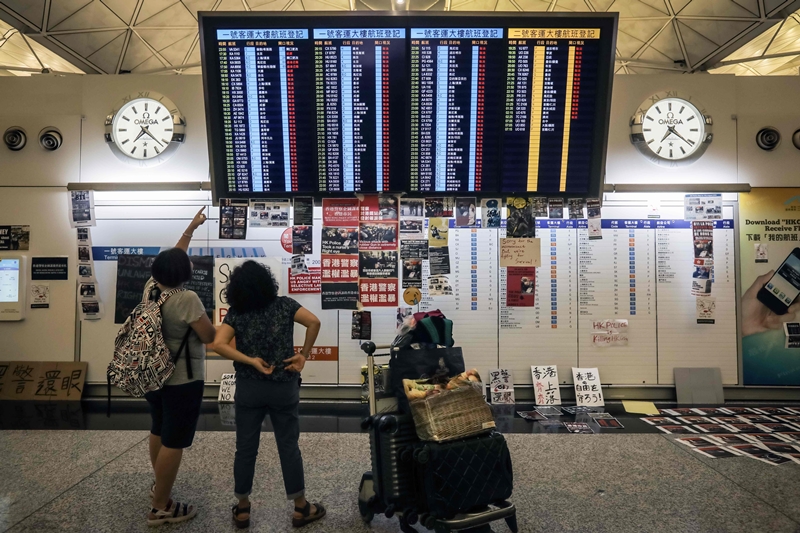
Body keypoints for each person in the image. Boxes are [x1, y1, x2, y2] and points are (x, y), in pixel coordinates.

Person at [211, 261, 325, 529]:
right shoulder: (285, 306)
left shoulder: (237, 313)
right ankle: (300, 508)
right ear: (267, 281)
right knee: (289, 446)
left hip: (249, 388)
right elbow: (314, 322)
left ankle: (242, 508)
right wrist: (303, 355)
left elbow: (218, 344)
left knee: (245, 448)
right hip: (283, 386)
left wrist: (250, 361)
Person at [144, 207, 216, 526]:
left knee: (159, 427)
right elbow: (209, 337)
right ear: (183, 273)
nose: (188, 261)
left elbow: (173, 257)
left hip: (153, 376)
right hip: (181, 380)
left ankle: (158, 486)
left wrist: (191, 228)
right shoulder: (186, 298)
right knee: (176, 439)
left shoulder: (151, 288)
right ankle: (161, 507)